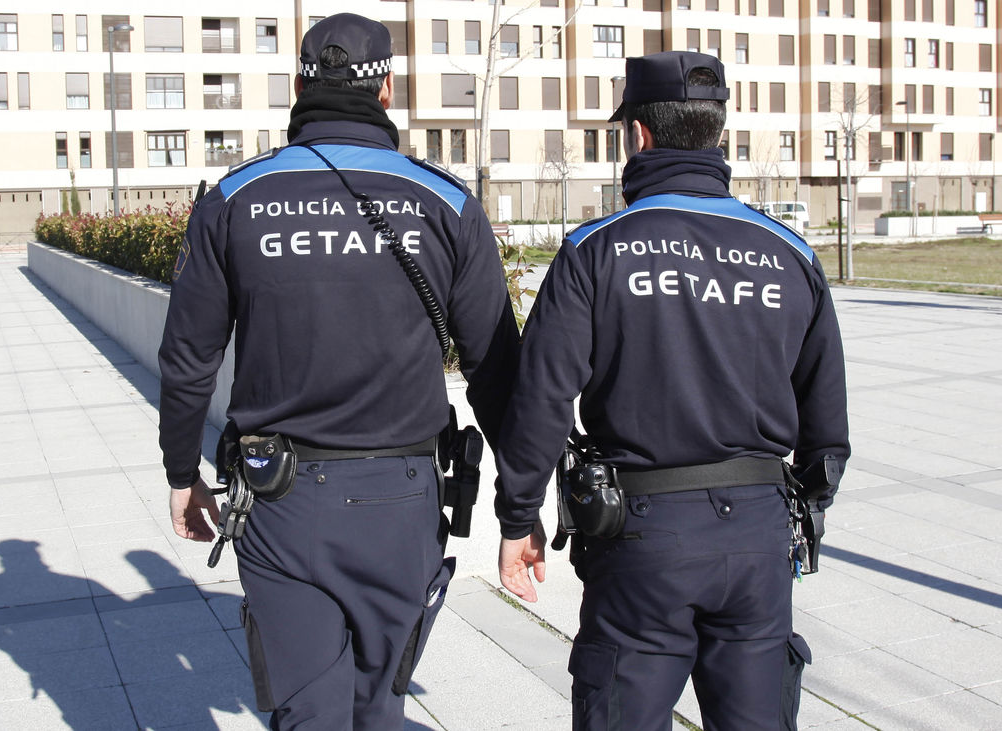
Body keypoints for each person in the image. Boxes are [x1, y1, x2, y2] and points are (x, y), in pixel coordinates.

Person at [158, 13, 518, 729]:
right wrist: (524, 502)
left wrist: (179, 472)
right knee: (379, 707)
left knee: (309, 712)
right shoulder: (445, 203)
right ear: (387, 88)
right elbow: (500, 368)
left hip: (280, 499)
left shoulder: (235, 199)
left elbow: (188, 356)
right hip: (404, 502)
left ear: (298, 84)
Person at [494, 51, 850, 730]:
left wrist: (518, 518)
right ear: (719, 132)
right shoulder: (789, 252)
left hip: (642, 535)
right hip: (757, 530)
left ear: (639, 134)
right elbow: (827, 423)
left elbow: (541, 397)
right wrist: (802, 512)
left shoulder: (597, 247)